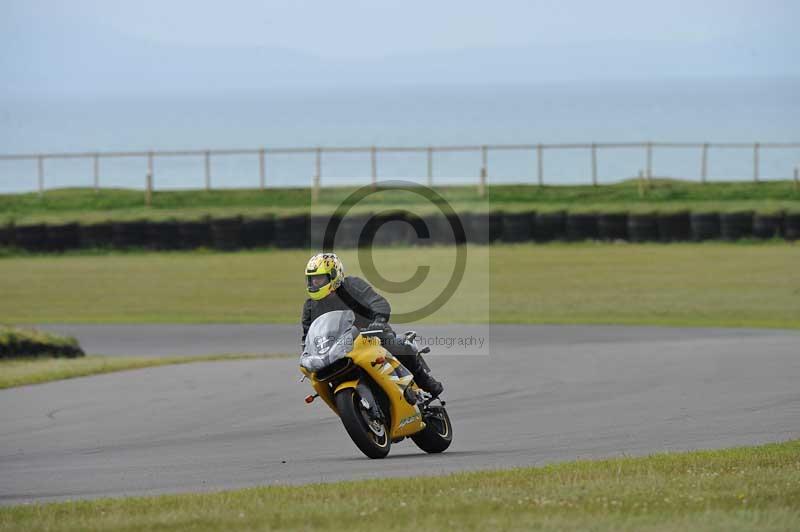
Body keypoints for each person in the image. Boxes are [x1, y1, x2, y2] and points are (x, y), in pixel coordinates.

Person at [301, 252, 444, 397]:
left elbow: (377, 302)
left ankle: (425, 381)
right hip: (337, 348)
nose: (315, 283)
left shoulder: (352, 285)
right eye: (312, 279)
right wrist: (307, 353)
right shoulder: (310, 306)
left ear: (333, 275)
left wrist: (379, 321)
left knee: (395, 346)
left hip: (370, 335)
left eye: (319, 279)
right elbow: (308, 336)